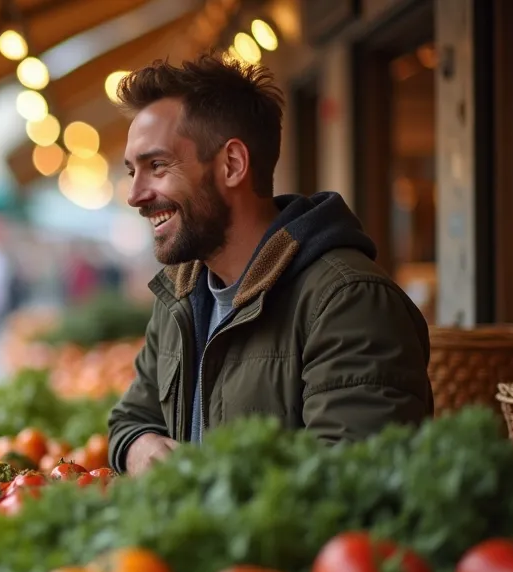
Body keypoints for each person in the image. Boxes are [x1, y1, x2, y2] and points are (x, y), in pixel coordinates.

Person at [107, 55, 433, 476]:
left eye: (157, 166)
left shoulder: (349, 303)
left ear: (232, 165)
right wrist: (139, 447)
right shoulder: (182, 294)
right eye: (133, 171)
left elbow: (353, 487)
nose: (134, 195)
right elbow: (128, 418)